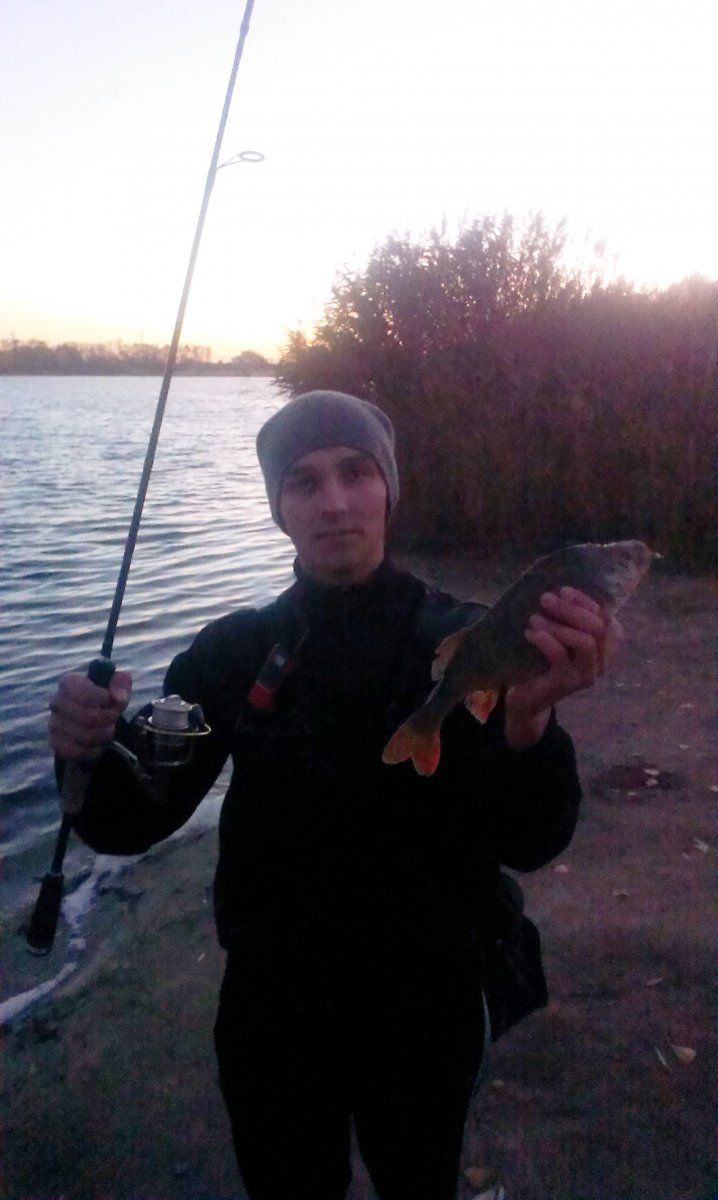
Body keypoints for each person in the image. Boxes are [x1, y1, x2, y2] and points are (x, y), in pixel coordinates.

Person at [48, 390, 610, 1200]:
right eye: (304, 481)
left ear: (389, 488)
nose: (335, 502)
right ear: (279, 507)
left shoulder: (470, 640)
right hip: (274, 1014)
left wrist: (531, 723)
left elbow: (531, 840)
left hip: (428, 1006)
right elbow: (131, 819)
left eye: (356, 472)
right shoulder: (230, 653)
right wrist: (84, 753)